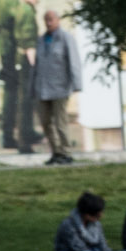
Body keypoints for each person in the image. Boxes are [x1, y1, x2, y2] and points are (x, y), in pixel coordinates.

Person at [0, 0, 37, 154]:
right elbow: (10, 21)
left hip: (9, 49)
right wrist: (27, 4)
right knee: (14, 95)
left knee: (17, 94)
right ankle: (10, 135)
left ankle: (22, 132)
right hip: (10, 51)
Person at [32, 9, 80, 164]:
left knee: (60, 122)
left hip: (60, 87)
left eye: (51, 19)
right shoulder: (41, 40)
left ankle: (66, 152)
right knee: (46, 123)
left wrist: (76, 83)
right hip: (42, 89)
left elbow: (74, 61)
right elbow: (36, 66)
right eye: (46, 19)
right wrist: (31, 87)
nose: (48, 22)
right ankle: (56, 152)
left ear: (58, 20)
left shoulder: (66, 38)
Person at [55, 191, 126, 251]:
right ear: (87, 214)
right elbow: (81, 250)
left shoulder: (96, 225)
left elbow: (104, 249)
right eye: (98, 215)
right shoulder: (68, 225)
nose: (101, 216)